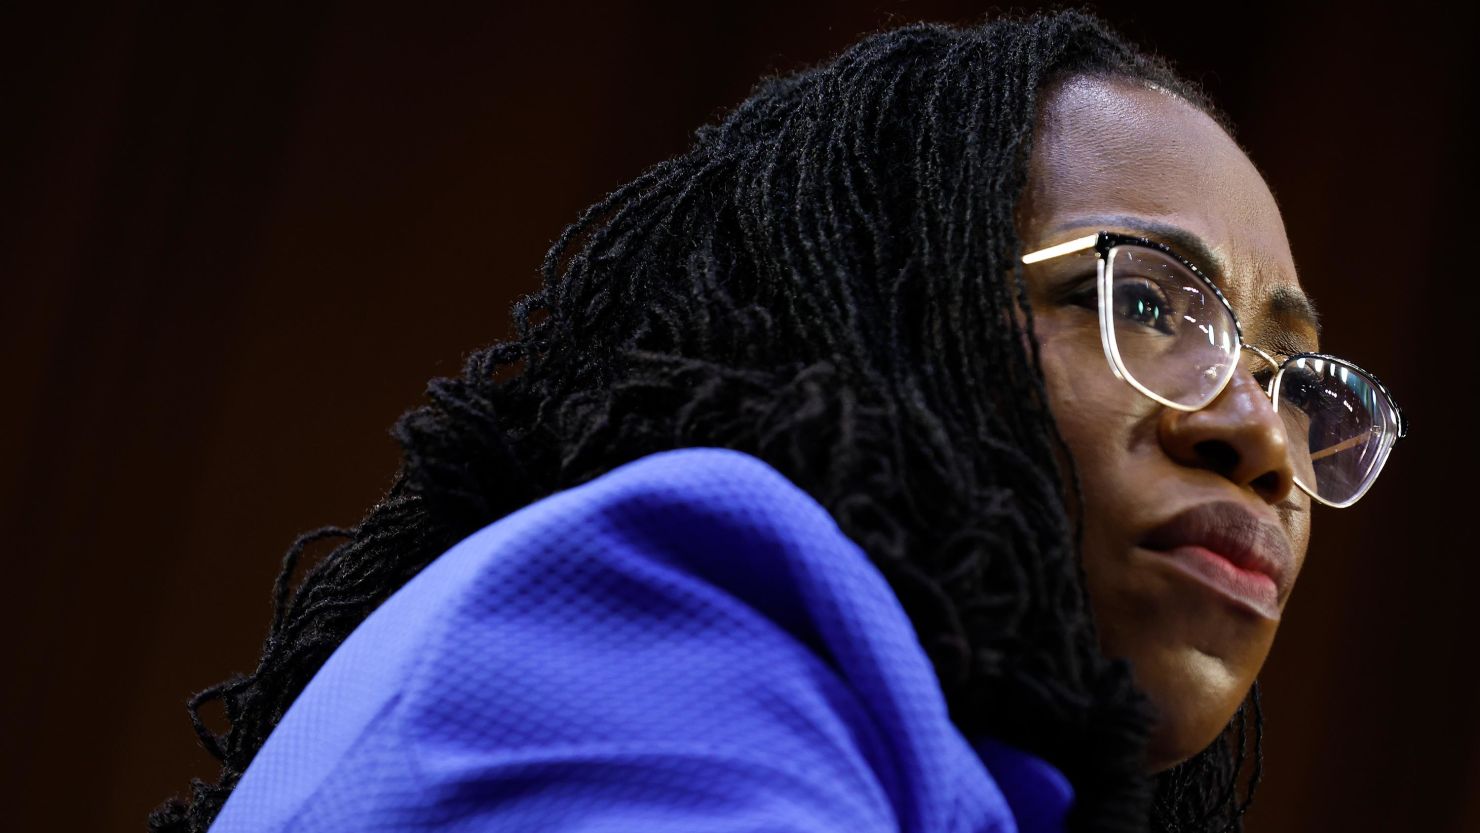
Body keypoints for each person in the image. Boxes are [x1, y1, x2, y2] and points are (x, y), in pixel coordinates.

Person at [152, 11, 1405, 833]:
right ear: (888, 312)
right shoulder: (670, 614)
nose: (1259, 436)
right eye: (1141, 301)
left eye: (1294, 372)